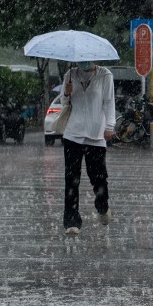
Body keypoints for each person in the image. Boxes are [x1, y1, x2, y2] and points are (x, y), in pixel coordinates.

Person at [60, 60, 116, 236]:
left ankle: (102, 206)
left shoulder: (105, 75)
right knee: (71, 179)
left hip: (96, 135)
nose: (84, 62)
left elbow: (109, 102)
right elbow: (63, 102)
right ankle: (71, 220)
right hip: (72, 134)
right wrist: (67, 94)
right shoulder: (70, 74)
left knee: (98, 178)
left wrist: (110, 125)